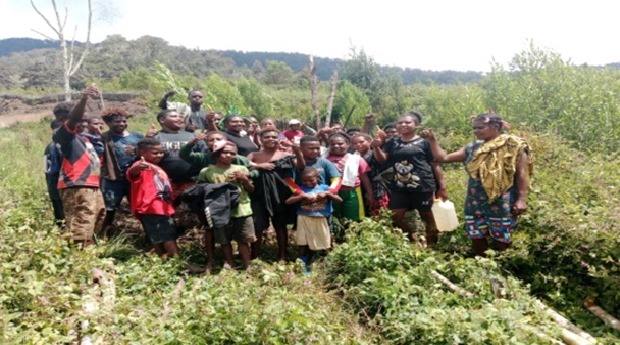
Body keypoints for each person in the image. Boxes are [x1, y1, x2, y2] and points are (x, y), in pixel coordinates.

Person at [420, 112, 532, 256]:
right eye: (474, 128)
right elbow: (443, 157)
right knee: (476, 236)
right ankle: (482, 266)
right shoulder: (472, 148)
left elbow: (522, 174)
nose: (476, 131)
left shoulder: (513, 146)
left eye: (480, 128)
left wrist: (521, 199)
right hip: (474, 201)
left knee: (503, 239)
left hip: (502, 200)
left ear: (496, 126)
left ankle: (504, 266)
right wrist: (432, 140)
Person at [373, 111, 447, 245]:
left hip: (423, 186)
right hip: (399, 186)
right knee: (395, 217)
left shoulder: (425, 142)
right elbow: (383, 160)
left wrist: (442, 186)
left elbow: (435, 164)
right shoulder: (393, 142)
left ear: (416, 125)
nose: (403, 125)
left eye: (407, 122)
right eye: (400, 123)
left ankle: (433, 248)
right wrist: (376, 147)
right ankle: (414, 241)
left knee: (428, 218)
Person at [52, 85, 106, 247]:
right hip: (76, 184)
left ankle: (87, 252)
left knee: (97, 215)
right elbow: (73, 119)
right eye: (80, 120)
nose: (83, 124)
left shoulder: (85, 139)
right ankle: (79, 257)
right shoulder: (64, 135)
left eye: (85, 120)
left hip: (92, 184)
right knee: (81, 219)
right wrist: (83, 99)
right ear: (63, 120)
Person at [247, 128, 305, 261]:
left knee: (280, 225)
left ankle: (283, 256)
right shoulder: (254, 155)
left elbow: (301, 166)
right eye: (267, 137)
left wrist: (296, 150)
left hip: (281, 194)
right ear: (260, 139)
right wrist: (258, 166)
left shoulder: (285, 155)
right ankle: (254, 257)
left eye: (274, 137)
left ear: (279, 139)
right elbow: (243, 165)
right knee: (258, 226)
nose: (271, 139)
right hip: (259, 195)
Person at [197, 141, 256, 269]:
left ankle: (248, 265)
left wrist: (244, 179)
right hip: (219, 211)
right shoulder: (207, 171)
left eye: (233, 153)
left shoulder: (241, 169)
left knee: (244, 240)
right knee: (224, 241)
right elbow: (200, 190)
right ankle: (231, 263)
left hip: (242, 209)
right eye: (225, 152)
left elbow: (251, 190)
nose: (229, 155)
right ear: (216, 154)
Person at [126, 138, 179, 258]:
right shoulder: (142, 166)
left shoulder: (155, 166)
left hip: (160, 206)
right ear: (142, 153)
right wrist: (138, 167)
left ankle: (164, 258)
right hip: (152, 206)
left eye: (161, 152)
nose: (159, 155)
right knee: (167, 234)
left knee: (158, 235)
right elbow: (131, 173)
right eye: (155, 153)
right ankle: (178, 261)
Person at [285, 167, 342, 273]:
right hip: (303, 219)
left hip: (320, 219)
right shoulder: (300, 190)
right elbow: (288, 202)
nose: (308, 183)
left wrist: (327, 194)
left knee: (325, 242)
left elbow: (339, 200)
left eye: (311, 180)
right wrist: (302, 196)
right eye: (305, 181)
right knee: (303, 243)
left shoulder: (325, 188)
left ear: (318, 177)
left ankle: (328, 263)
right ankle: (302, 264)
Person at [100, 108, 144, 236]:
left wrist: (136, 151)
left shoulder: (137, 136)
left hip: (133, 179)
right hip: (113, 179)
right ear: (108, 123)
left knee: (139, 207)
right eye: (117, 121)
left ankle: (147, 235)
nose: (121, 124)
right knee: (109, 208)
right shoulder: (105, 137)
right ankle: (103, 235)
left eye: (124, 121)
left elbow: (147, 151)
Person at [146, 109, 204, 197]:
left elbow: (204, 155)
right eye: (174, 116)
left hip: (191, 182)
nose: (179, 119)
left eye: (180, 117)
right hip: (165, 183)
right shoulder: (155, 137)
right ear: (162, 120)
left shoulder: (192, 136)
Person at [325, 133, 374, 222]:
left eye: (340, 144)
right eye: (332, 144)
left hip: (353, 192)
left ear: (347, 144)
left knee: (354, 219)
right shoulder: (324, 159)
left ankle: (351, 235)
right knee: (334, 219)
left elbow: (364, 178)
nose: (336, 146)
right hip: (331, 193)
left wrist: (370, 194)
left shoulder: (356, 159)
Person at [351, 133, 390, 215]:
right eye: (355, 143)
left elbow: (381, 159)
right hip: (361, 189)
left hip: (376, 189)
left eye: (361, 142)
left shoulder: (374, 153)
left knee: (380, 215)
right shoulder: (353, 156)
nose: (358, 145)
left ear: (369, 142)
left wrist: (376, 147)